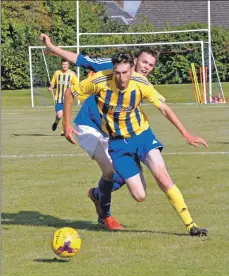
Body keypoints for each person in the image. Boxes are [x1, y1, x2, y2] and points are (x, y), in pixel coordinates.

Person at [63, 52, 208, 237]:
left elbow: (163, 108)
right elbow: (70, 93)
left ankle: (191, 225)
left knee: (162, 176)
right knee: (140, 196)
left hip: (142, 135)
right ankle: (99, 193)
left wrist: (186, 134)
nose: (121, 78)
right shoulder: (99, 80)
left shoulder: (141, 83)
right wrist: (66, 124)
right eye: (117, 73)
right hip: (118, 144)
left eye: (125, 72)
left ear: (132, 68)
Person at [40, 33, 156, 229]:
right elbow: (80, 60)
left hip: (113, 134)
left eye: (151, 65)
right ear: (134, 60)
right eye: (144, 62)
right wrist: (52, 46)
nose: (146, 67)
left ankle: (96, 195)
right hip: (89, 126)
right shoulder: (111, 68)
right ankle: (105, 216)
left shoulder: (139, 84)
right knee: (110, 170)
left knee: (127, 177)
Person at [48, 59, 78, 135]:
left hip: (68, 98)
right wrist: (51, 87)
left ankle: (63, 131)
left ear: (68, 65)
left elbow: (76, 84)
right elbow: (53, 82)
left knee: (65, 115)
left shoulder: (72, 74)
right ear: (61, 65)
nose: (65, 66)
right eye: (63, 64)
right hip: (58, 98)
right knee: (59, 115)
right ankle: (56, 122)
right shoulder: (57, 73)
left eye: (66, 64)